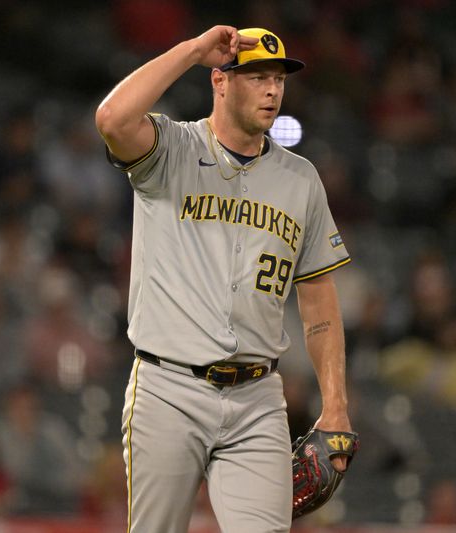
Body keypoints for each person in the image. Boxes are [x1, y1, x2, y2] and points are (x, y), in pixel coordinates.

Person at [95, 25, 353, 532]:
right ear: (220, 81)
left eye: (278, 78)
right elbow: (112, 118)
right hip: (169, 388)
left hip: (258, 398)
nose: (272, 89)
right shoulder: (170, 150)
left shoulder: (301, 179)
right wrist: (190, 51)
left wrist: (337, 407)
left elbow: (320, 299)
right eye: (256, 76)